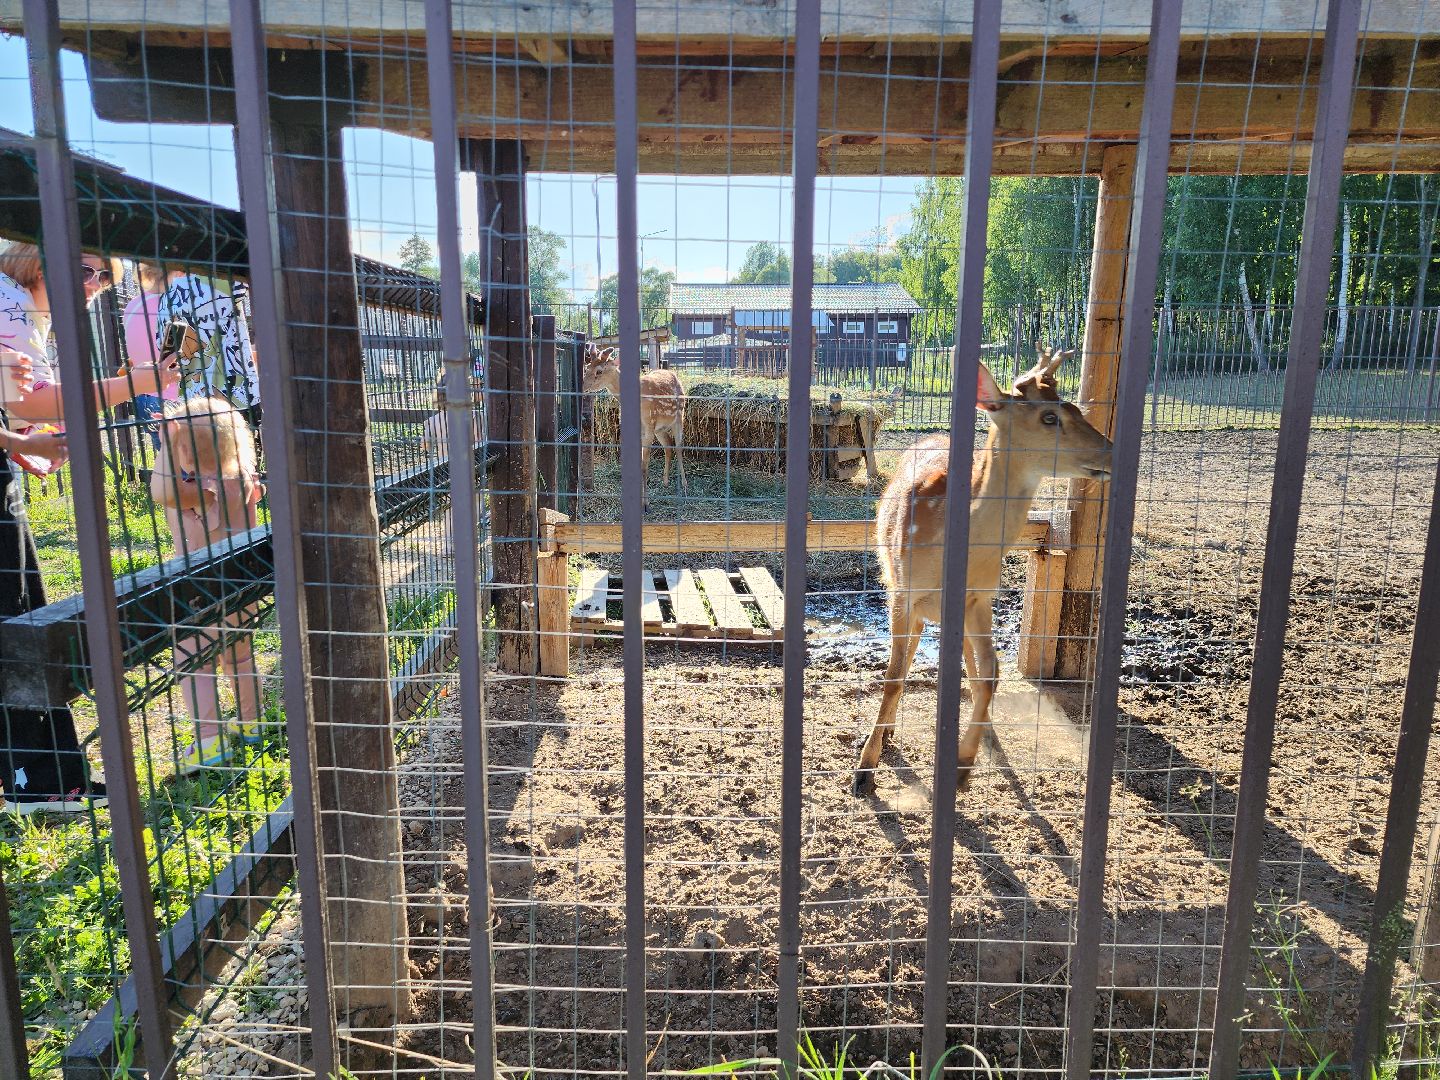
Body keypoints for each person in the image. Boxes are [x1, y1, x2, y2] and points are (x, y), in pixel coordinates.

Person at [0, 240, 177, 813]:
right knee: (17, 615)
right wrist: (138, 384)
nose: (93, 285)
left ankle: (42, 776)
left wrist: (16, 442)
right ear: (36, 253)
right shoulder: (7, 304)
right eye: (83, 269)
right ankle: (41, 780)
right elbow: (34, 402)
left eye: (103, 277)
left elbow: (19, 406)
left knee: (21, 607)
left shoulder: (25, 310)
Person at [149, 396, 265, 774]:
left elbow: (161, 491)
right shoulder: (242, 477)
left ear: (183, 450)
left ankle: (210, 741)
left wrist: (167, 442)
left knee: (192, 662)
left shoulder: (198, 489)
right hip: (241, 587)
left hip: (199, 594)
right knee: (240, 656)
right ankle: (251, 722)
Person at [154, 267, 261, 426]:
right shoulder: (216, 279)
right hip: (235, 399)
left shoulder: (166, 298)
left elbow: (165, 350)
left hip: (192, 406)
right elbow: (258, 270)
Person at [121, 261, 180, 451]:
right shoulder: (173, 306)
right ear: (179, 272)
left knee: (166, 461)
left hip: (142, 394)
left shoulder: (133, 304)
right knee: (187, 464)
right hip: (171, 396)